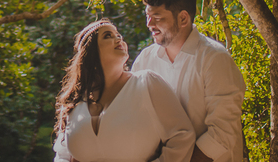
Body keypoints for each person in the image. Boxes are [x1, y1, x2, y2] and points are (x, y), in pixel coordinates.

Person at [131, 0, 246, 162]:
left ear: (183, 18)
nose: (149, 24)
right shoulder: (144, 60)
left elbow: (222, 134)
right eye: (148, 16)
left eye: (157, 18)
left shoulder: (215, 60)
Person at [53, 19, 195, 162]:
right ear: (90, 52)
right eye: (108, 36)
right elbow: (62, 154)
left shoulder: (146, 83)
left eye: (119, 36)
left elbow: (181, 136)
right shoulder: (75, 101)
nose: (118, 39)